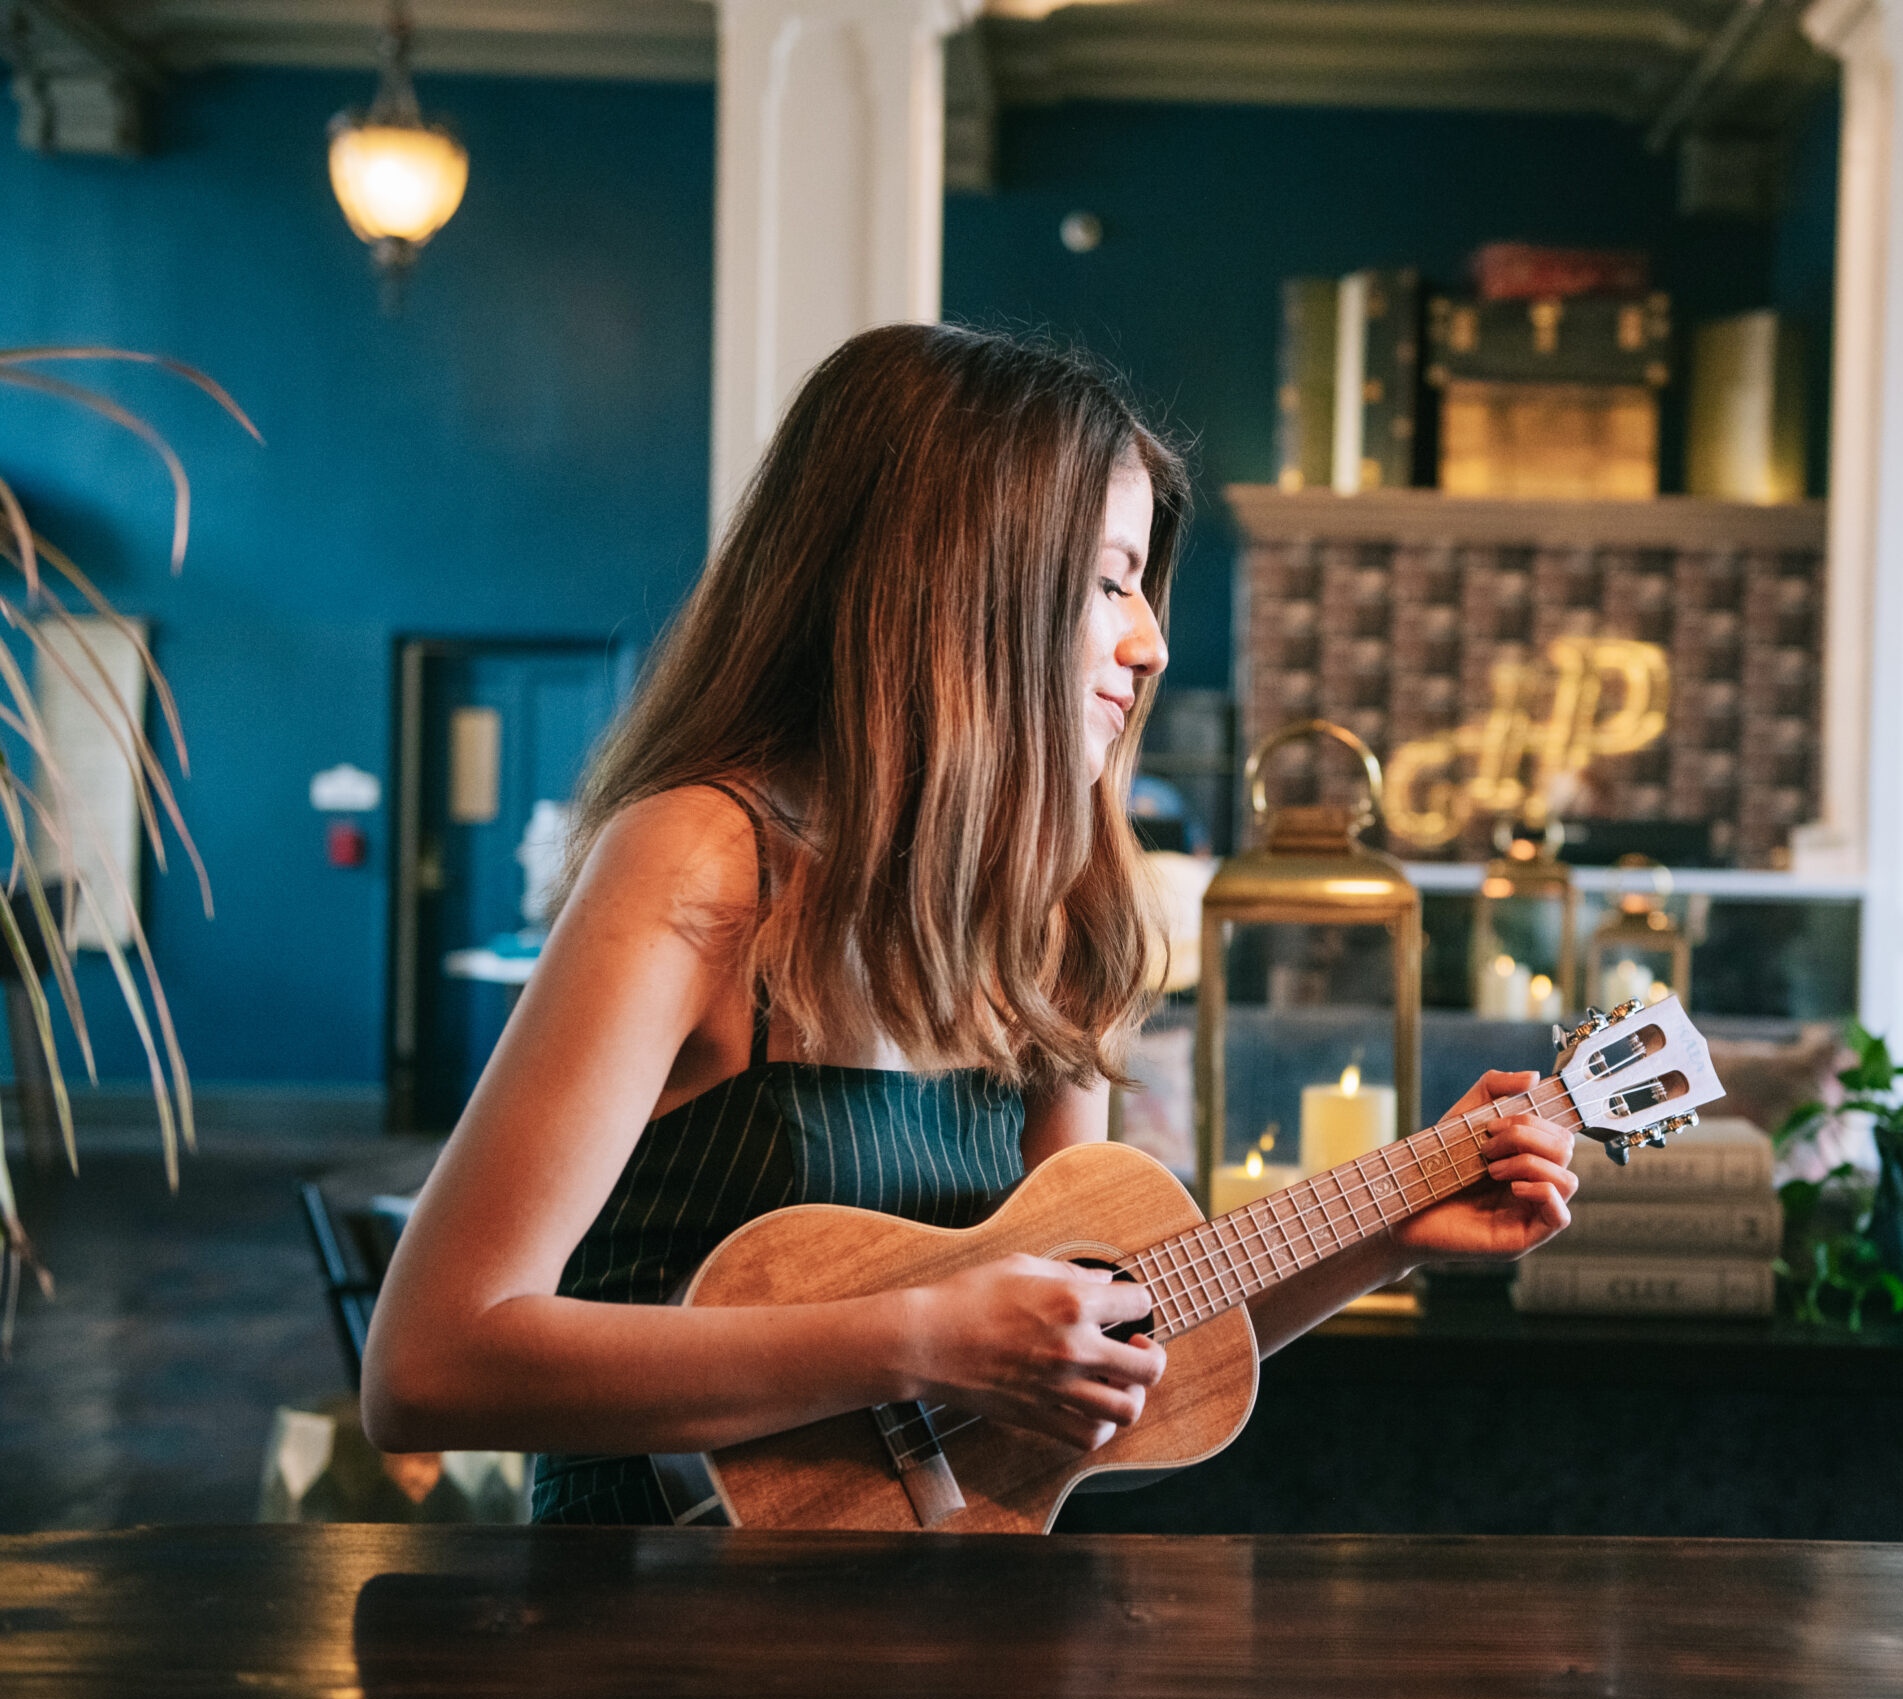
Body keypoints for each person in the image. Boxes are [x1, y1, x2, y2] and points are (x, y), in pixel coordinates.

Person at [361, 324, 1580, 1524]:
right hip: (642, 1618)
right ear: (957, 583)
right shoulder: (703, 858)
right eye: (1108, 581)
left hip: (936, 1615)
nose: (1150, 644)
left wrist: (1384, 1241)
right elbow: (426, 1368)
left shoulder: (1053, 915)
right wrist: (920, 1340)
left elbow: (1104, 1354)